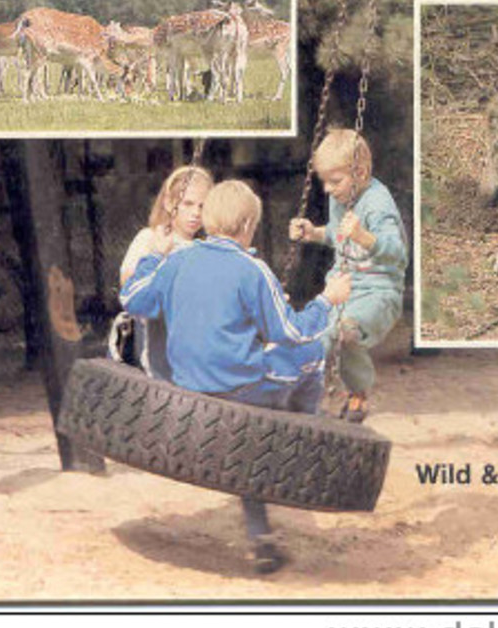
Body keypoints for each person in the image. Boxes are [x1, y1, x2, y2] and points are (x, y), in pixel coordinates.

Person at [122, 177, 351, 575]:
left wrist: (153, 257)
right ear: (248, 226)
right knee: (311, 352)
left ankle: (261, 536)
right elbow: (291, 331)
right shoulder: (252, 268)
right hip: (241, 389)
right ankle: (308, 438)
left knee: (246, 443)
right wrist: (326, 301)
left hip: (189, 389)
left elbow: (133, 298)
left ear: (208, 218)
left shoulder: (176, 260)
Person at [289, 128, 408, 423]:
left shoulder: (378, 204)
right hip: (344, 287)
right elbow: (338, 234)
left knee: (345, 330)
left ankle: (358, 394)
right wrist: (313, 233)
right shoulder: (340, 198)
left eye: (335, 181)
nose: (328, 189)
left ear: (361, 172)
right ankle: (298, 393)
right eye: (324, 182)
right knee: (315, 332)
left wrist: (364, 236)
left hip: (379, 293)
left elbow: (397, 252)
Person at [111, 164, 212, 378]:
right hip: (155, 338)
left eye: (202, 206)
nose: (195, 213)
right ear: (169, 203)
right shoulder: (151, 237)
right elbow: (127, 284)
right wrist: (158, 255)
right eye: (188, 204)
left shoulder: (203, 248)